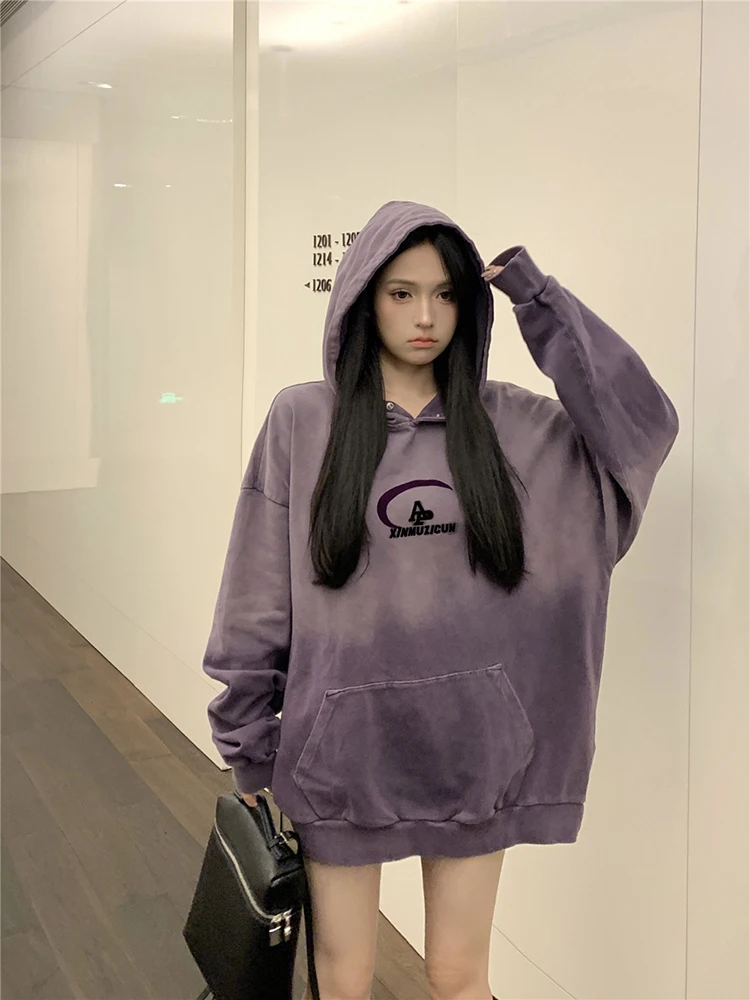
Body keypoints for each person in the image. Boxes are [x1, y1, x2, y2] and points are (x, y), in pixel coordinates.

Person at [202, 200, 679, 1000]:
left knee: (459, 976)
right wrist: (248, 743)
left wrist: (539, 299)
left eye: (447, 294)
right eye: (402, 293)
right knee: (343, 980)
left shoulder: (517, 426)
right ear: (364, 299)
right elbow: (256, 595)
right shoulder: (303, 421)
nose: (426, 317)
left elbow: (641, 428)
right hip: (340, 757)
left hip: (472, 752)